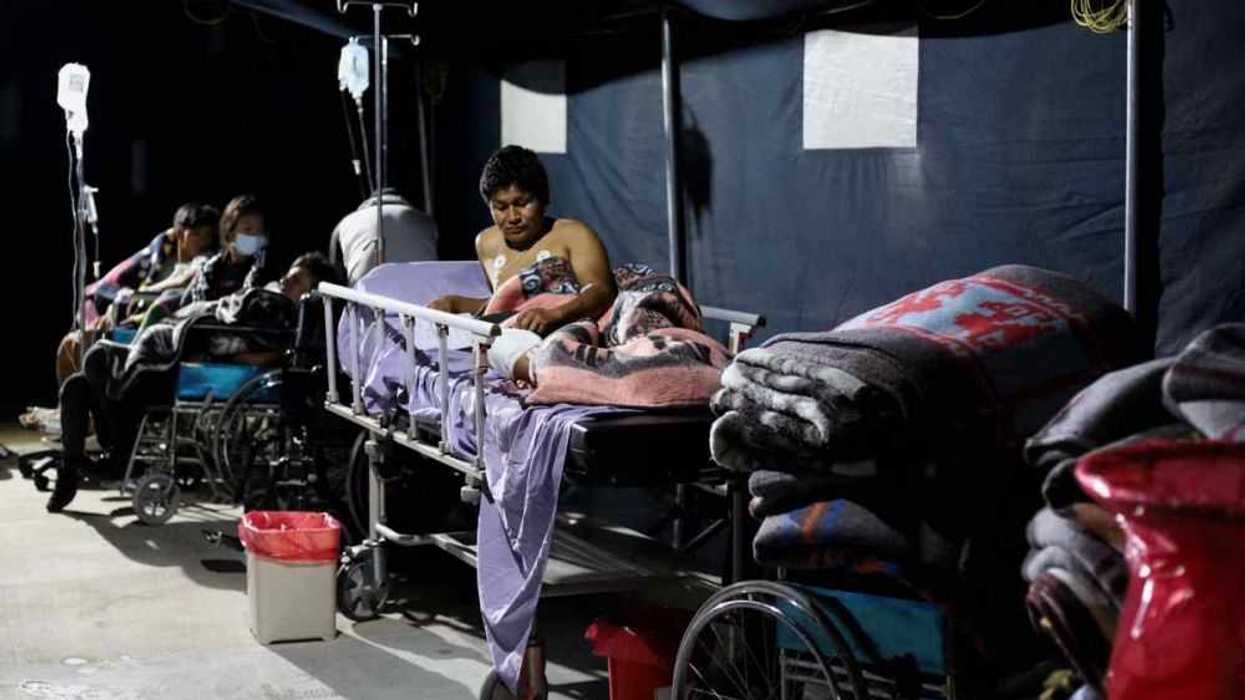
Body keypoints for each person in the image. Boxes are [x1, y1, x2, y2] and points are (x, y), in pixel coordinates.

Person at [46, 252, 339, 514]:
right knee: (78, 382)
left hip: (189, 374)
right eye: (288, 274)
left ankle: (112, 455)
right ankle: (76, 468)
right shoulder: (265, 303)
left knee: (95, 365)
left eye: (297, 279)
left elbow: (263, 355)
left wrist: (232, 353)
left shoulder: (285, 321)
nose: (286, 279)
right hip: (180, 360)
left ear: (311, 293)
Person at [427, 145, 616, 336]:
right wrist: (455, 303)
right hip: (513, 341)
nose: (513, 217)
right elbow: (505, 305)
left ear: (544, 199)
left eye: (522, 203)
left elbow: (601, 292)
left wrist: (556, 314)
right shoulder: (486, 243)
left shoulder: (574, 234)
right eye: (501, 207)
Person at [53, 202, 218, 384]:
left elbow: (179, 289)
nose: (203, 241)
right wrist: (113, 309)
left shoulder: (205, 265)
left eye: (208, 236)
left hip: (161, 329)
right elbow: (103, 288)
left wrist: (145, 293)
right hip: (124, 322)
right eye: (196, 235)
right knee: (73, 343)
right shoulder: (157, 257)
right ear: (179, 234)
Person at [137, 194, 270, 332]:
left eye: (260, 231)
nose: (255, 236)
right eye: (248, 230)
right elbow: (192, 307)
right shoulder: (211, 269)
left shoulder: (266, 269)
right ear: (229, 232)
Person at [330, 188, 438, 284]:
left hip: (364, 295)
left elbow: (334, 270)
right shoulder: (427, 220)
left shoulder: (344, 223)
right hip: (423, 294)